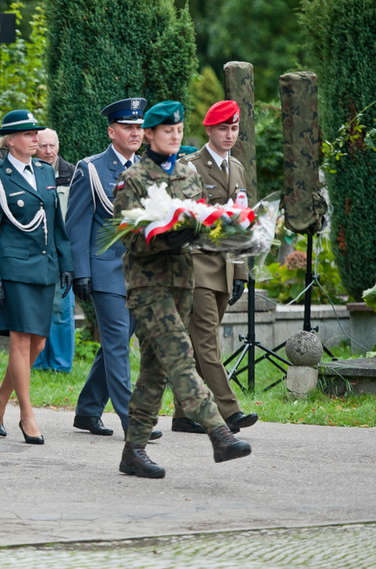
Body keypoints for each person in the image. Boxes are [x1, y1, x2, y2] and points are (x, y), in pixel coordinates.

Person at [113, 101, 251, 478]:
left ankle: (133, 451)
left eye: (178, 130)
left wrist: (234, 232)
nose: (175, 136)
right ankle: (219, 432)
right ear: (150, 136)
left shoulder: (188, 173)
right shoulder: (134, 179)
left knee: (155, 370)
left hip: (183, 281)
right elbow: (130, 238)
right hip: (147, 285)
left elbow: (205, 220)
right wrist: (166, 238)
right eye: (166, 131)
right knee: (180, 354)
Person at [0, 110, 73, 444]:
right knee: (20, 340)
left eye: (37, 133)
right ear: (11, 140)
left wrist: (66, 263)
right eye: (29, 134)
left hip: (45, 267)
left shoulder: (46, 172)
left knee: (39, 342)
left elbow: (57, 225)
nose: (36, 139)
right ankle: (27, 415)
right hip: (13, 269)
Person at [67, 98, 158, 441]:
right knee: (118, 343)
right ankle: (133, 418)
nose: (135, 133)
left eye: (139, 127)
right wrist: (80, 272)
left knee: (115, 345)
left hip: (140, 274)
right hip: (105, 271)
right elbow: (75, 224)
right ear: (111, 130)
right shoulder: (91, 169)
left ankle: (89, 409)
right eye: (128, 127)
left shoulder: (149, 166)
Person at [175, 100, 259, 434]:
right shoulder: (190, 166)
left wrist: (241, 272)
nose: (229, 134)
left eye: (234, 128)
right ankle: (229, 409)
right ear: (209, 129)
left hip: (224, 267)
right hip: (196, 264)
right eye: (223, 128)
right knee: (208, 342)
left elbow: (241, 223)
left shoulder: (236, 168)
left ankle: (183, 414)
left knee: (198, 344)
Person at [32, 127, 76, 372]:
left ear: (59, 145)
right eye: (42, 146)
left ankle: (60, 365)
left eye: (52, 145)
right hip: (34, 252)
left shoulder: (71, 174)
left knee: (60, 309)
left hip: (60, 252)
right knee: (37, 309)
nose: (48, 151)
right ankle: (37, 363)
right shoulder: (28, 172)